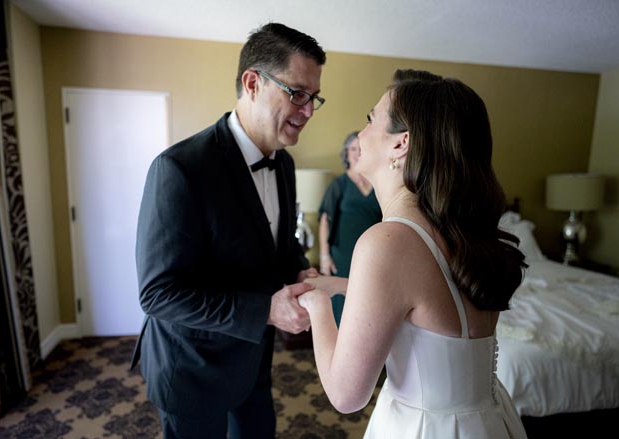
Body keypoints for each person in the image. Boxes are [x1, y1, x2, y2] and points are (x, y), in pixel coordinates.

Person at [298, 69, 528, 438]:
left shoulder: (386, 242)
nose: (361, 134)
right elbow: (429, 304)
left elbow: (346, 395)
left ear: (400, 143)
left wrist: (316, 303)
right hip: (488, 421)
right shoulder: (461, 232)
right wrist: (340, 284)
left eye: (370, 119)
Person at [130, 23, 325, 439]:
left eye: (314, 98)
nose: (308, 111)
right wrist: (266, 311)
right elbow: (158, 293)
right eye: (297, 93)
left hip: (253, 362)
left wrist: (298, 272)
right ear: (252, 82)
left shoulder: (285, 165)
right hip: (191, 368)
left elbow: (278, 243)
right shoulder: (180, 170)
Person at [318, 131, 381, 325]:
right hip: (343, 256)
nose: (357, 152)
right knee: (343, 306)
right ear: (346, 154)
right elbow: (325, 221)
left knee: (372, 303)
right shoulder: (339, 184)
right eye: (352, 148)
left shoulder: (379, 183)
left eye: (360, 148)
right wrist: (324, 256)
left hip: (375, 256)